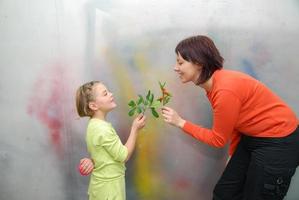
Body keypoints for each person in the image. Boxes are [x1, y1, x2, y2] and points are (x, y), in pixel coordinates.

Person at [161, 35, 299, 200]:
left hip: (278, 142)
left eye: (180, 62)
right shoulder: (214, 85)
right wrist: (233, 155)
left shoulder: (224, 90)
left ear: (198, 63)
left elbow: (217, 140)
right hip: (252, 137)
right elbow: (235, 123)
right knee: (225, 194)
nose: (175, 68)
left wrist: (180, 122)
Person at [76, 81, 146, 200]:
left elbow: (101, 154)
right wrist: (135, 129)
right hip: (109, 189)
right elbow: (123, 156)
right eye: (105, 94)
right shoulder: (103, 129)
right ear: (93, 106)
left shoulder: (93, 125)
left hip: (100, 186)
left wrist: (93, 161)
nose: (111, 94)